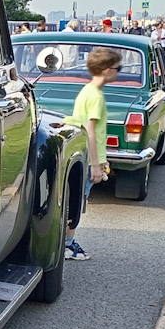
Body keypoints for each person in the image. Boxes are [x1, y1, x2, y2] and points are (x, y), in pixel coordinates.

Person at [62, 46, 122, 261]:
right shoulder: (96, 97)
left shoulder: (87, 90)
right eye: (118, 68)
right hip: (89, 157)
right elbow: (91, 130)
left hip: (82, 154)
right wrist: (97, 165)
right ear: (107, 70)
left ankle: (67, 242)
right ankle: (68, 245)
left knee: (74, 200)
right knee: (77, 203)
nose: (119, 72)